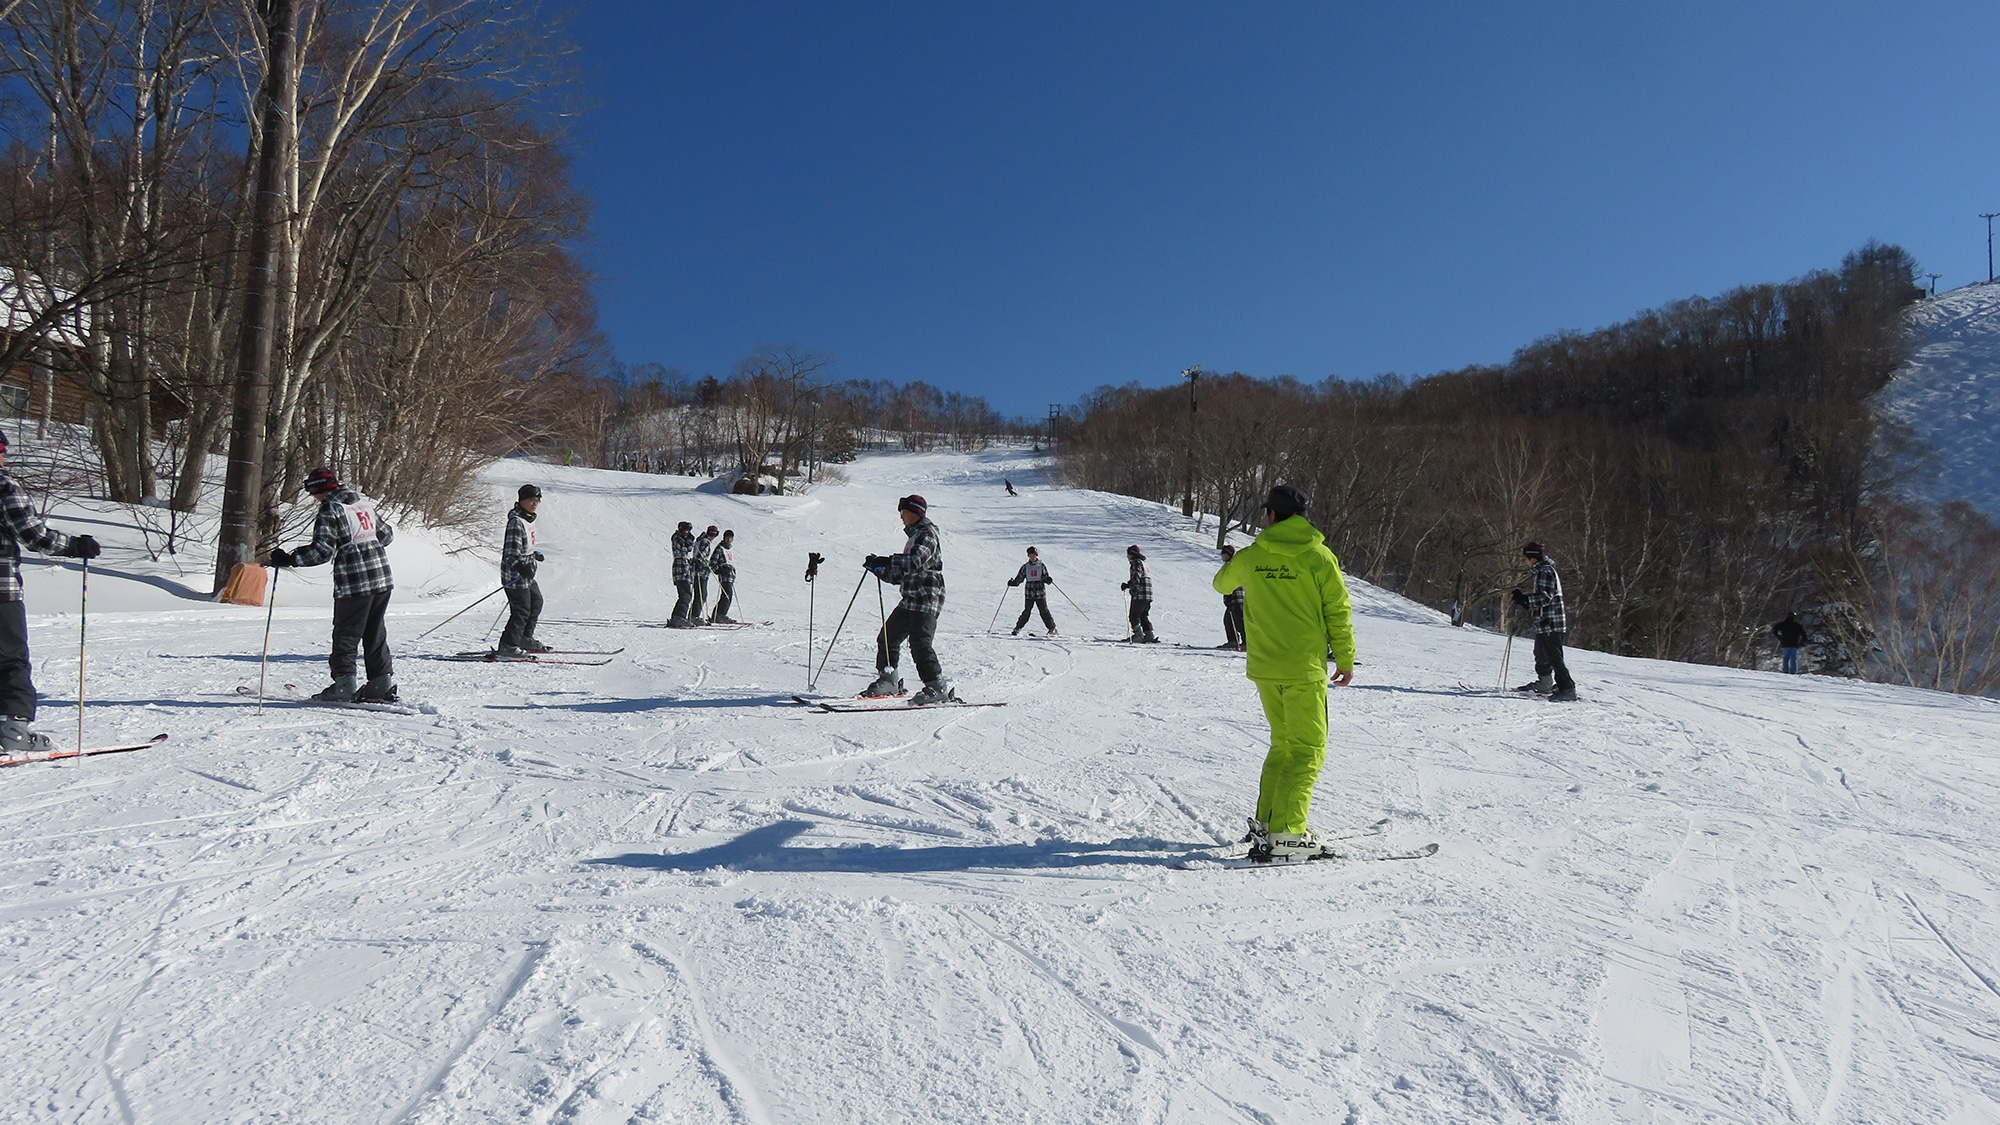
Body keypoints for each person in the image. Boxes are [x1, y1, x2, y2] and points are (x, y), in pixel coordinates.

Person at [1212, 483, 1354, 861]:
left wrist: (1250, 567)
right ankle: (1288, 836)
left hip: (1265, 667)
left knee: (1283, 744)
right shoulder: (1318, 556)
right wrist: (1345, 658)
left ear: (1271, 516)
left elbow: (1221, 583)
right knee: (1307, 750)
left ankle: (1267, 824)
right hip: (1303, 668)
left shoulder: (1254, 554)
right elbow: (1337, 610)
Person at [0, 430, 100, 755]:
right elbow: (32, 535)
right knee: (10, 659)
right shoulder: (4, 486)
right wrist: (75, 546)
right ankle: (11, 730)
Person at [268, 467, 397, 703]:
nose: (314, 498)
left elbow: (322, 552)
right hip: (381, 578)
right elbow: (386, 536)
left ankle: (344, 687)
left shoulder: (331, 508)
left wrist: (290, 559)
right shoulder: (362, 503)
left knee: (346, 634)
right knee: (374, 631)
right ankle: (381, 684)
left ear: (317, 490)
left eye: (312, 492)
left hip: (355, 581)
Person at [861, 494, 956, 704]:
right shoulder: (913, 537)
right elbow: (901, 576)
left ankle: (937, 687)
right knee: (888, 637)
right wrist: (879, 569)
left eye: (903, 512)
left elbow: (915, 562)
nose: (901, 516)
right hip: (911, 598)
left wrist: (888, 560)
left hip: (927, 597)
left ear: (914, 512)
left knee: (920, 643)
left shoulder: (927, 534)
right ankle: (889, 679)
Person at [1511, 541, 1576, 702]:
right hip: (1545, 622)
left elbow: (1545, 596)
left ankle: (1567, 688)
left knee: (1554, 655)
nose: (1526, 561)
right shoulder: (1543, 571)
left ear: (1533, 558)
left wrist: (1526, 600)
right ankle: (1545, 683)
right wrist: (1525, 601)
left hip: (1551, 621)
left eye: (1527, 558)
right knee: (1541, 653)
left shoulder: (1545, 571)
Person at [497, 484, 548, 657]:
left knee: (536, 602)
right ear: (521, 501)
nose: (534, 504)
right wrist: (520, 567)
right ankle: (508, 645)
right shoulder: (516, 522)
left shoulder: (527, 520)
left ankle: (524, 638)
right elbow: (509, 554)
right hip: (514, 576)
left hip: (526, 574)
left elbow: (524, 546)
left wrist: (534, 554)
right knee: (521, 610)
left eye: (537, 500)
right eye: (531, 500)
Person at [1007, 546, 1058, 636]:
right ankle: (1018, 628)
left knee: (1044, 610)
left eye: (1033, 555)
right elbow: (1020, 578)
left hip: (1040, 592)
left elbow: (1045, 576)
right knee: (1027, 611)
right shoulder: (1025, 567)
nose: (1032, 557)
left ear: (1036, 555)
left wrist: (1048, 580)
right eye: (1030, 555)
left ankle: (1052, 628)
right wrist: (1014, 583)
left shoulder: (1041, 566)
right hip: (1029, 592)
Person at [1120, 545, 1155, 642]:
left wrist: (1133, 590)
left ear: (1131, 554)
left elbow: (1136, 577)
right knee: (1143, 615)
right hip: (1148, 594)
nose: (1127, 557)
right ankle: (1149, 635)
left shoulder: (1136, 563)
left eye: (1128, 554)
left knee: (1134, 615)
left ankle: (1138, 635)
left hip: (1140, 594)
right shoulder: (1144, 563)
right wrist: (1128, 585)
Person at [1218, 544, 1246, 650]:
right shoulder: (1229, 564)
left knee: (1239, 621)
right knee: (1228, 620)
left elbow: (1233, 581)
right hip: (1232, 598)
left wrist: (1230, 594)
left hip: (1238, 598)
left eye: (1224, 554)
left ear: (1228, 555)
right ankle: (1233, 641)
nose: (1222, 556)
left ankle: (1246, 642)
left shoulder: (1233, 565)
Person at [668, 520, 696, 626]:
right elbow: (684, 549)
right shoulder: (676, 538)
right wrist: (689, 541)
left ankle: (677, 617)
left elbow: (688, 549)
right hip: (680, 568)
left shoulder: (683, 538)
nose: (687, 532)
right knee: (685, 595)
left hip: (685, 569)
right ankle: (678, 618)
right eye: (685, 530)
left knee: (686, 595)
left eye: (688, 530)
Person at [691, 524, 720, 623]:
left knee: (700, 594)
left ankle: (693, 615)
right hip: (701, 571)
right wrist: (704, 564)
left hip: (696, 570)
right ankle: (694, 616)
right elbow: (701, 556)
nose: (713, 537)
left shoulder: (699, 541)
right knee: (701, 595)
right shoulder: (705, 542)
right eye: (712, 534)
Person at [709, 530, 738, 623]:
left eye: (730, 538)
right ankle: (720, 615)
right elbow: (712, 563)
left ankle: (718, 614)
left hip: (730, 576)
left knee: (727, 595)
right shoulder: (720, 548)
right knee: (727, 595)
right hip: (724, 576)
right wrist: (719, 570)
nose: (729, 540)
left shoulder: (729, 549)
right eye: (727, 538)